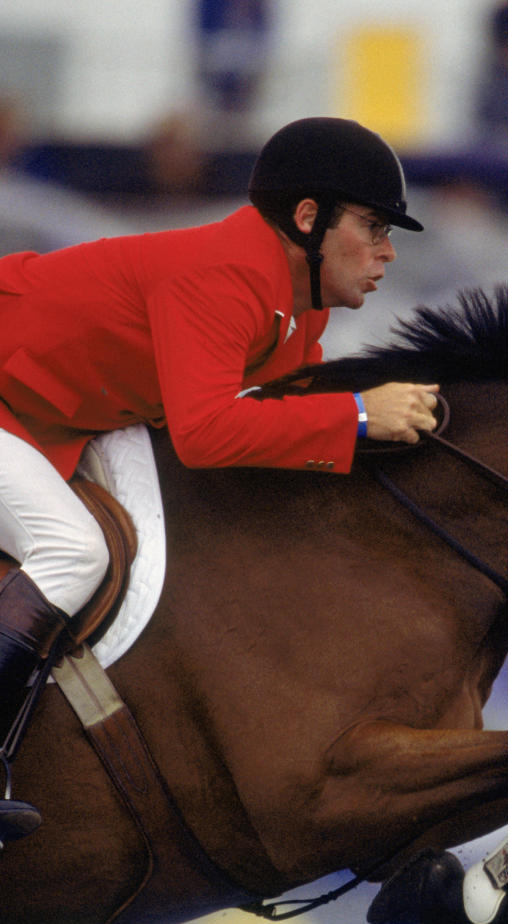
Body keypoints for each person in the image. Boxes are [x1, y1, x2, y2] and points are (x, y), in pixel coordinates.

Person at [0, 115, 439, 843]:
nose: (388, 253)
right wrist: (358, 417)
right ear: (308, 218)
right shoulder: (226, 275)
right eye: (374, 227)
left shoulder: (295, 312)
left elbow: (269, 422)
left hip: (52, 413)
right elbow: (204, 433)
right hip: (16, 403)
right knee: (78, 550)